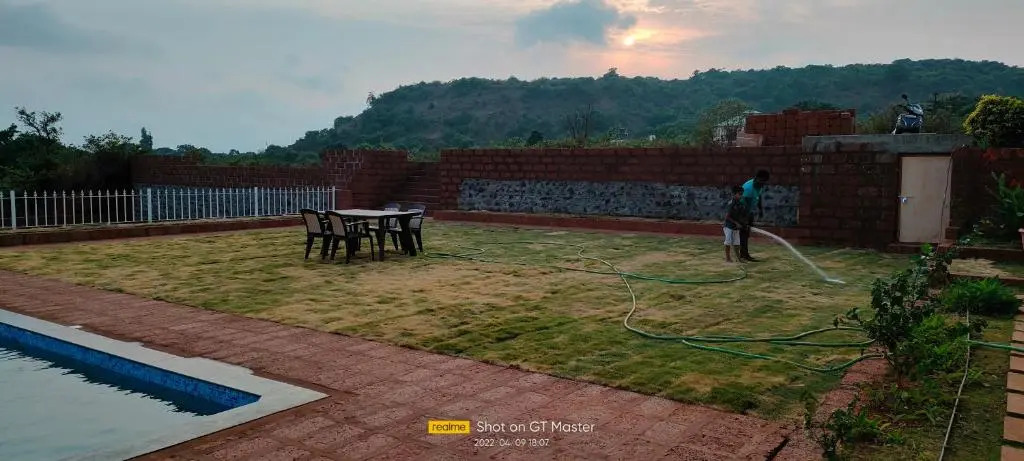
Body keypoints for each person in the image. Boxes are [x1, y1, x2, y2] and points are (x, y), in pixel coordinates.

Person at [740, 169, 770, 262]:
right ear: (756, 178)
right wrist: (744, 219)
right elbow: (744, 205)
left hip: (748, 210)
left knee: (746, 233)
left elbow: (758, 196)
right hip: (741, 210)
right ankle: (743, 254)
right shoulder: (748, 188)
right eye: (761, 181)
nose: (762, 183)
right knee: (743, 233)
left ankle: (744, 253)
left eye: (764, 182)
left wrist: (760, 210)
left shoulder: (759, 186)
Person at [723, 186, 748, 263]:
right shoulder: (731, 203)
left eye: (742, 194)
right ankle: (728, 258)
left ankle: (738, 258)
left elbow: (741, 215)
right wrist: (736, 223)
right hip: (729, 226)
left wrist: (743, 223)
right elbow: (727, 217)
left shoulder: (740, 204)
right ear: (734, 194)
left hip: (736, 227)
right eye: (739, 194)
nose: (741, 196)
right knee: (728, 242)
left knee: (737, 243)